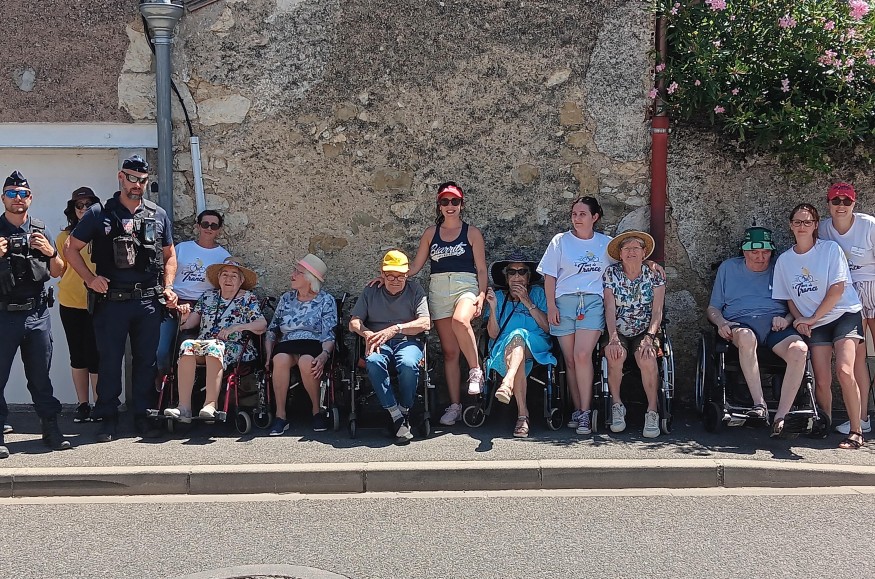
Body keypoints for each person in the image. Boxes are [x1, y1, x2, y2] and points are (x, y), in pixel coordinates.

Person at [64, 155, 178, 442]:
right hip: (112, 301)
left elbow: (170, 255)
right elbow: (70, 248)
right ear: (121, 177)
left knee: (146, 362)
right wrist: (90, 279)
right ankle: (108, 418)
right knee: (110, 362)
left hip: (147, 302)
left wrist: (168, 285)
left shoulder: (157, 214)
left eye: (143, 180)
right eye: (132, 179)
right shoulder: (98, 213)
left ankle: (143, 415)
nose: (137, 185)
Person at [772, 204, 865, 449]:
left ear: (815, 225)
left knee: (844, 371)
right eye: (798, 222)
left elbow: (838, 289)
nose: (802, 226)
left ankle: (856, 430)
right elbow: (789, 298)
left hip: (843, 314)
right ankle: (824, 423)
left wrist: (812, 318)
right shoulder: (784, 261)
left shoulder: (830, 249)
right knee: (821, 380)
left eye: (807, 222)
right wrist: (800, 320)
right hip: (815, 323)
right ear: (791, 225)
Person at [707, 227, 810, 437]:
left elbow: (795, 307)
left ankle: (781, 417)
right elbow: (713, 308)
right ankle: (759, 404)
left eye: (765, 252)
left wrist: (787, 319)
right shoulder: (728, 268)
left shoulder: (780, 267)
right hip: (741, 323)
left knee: (800, 350)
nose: (760, 257)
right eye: (754, 252)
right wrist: (721, 323)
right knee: (746, 337)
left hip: (776, 325)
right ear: (744, 251)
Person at [401, 182, 487, 426]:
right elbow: (416, 266)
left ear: (462, 204)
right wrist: (391, 275)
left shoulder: (472, 233)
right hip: (439, 289)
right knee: (450, 352)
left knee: (461, 320)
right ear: (439, 205)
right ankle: (455, 405)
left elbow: (481, 269)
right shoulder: (431, 233)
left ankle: (475, 371)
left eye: (455, 201)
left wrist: (481, 295)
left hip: (465, 285)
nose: (450, 206)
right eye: (445, 201)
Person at [0, 170, 71, 458]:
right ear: (3, 198)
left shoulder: (40, 229)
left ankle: (50, 428)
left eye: (23, 194)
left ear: (30, 198)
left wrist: (51, 252)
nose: (18, 199)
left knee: (41, 377)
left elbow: (58, 271)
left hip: (36, 314)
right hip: (3, 315)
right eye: (12, 193)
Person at [537, 197, 612, 436]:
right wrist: (551, 307)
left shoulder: (606, 244)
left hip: (592, 302)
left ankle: (586, 411)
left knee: (582, 355)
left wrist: (651, 265)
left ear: (594, 217)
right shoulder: (560, 241)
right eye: (574, 214)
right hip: (564, 303)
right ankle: (578, 410)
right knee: (569, 360)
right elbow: (550, 276)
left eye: (582, 214)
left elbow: (629, 259)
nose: (577, 218)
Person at [164, 258, 266, 422]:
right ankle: (184, 408)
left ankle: (210, 405)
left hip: (235, 346)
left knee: (214, 348)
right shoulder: (208, 296)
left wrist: (236, 328)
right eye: (224, 274)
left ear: (241, 281)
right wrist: (184, 316)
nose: (228, 279)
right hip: (205, 344)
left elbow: (262, 325)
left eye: (233, 275)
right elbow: (187, 325)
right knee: (187, 346)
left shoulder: (248, 298)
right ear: (218, 278)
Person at [349, 250, 431, 443]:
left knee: (409, 364)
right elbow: (354, 322)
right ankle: (397, 416)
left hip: (407, 340)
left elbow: (426, 323)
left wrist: (396, 328)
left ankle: (403, 410)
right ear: (382, 274)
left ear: (407, 274)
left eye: (400, 275)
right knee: (373, 361)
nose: (395, 280)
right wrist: (367, 333)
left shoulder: (415, 290)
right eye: (390, 275)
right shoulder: (371, 290)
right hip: (378, 340)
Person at [818, 182, 873, 435]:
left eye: (846, 201)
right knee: (858, 357)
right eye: (836, 201)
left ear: (854, 203)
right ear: (828, 203)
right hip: (848, 295)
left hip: (873, 287)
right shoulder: (823, 229)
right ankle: (862, 417)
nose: (841, 206)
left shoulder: (869, 225)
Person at [483, 249, 555, 438]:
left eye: (522, 272)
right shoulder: (499, 297)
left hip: (536, 345)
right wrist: (492, 308)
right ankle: (523, 415)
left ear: (528, 277)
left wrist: (527, 301)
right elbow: (493, 335)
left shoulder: (538, 294)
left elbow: (548, 328)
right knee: (517, 346)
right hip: (504, 347)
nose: (517, 277)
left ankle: (507, 382)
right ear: (506, 278)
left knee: (519, 335)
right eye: (512, 272)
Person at [602, 231, 666, 438]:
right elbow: (609, 308)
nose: (631, 252)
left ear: (644, 252)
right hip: (618, 329)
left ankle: (652, 410)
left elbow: (657, 311)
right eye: (626, 248)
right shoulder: (611, 273)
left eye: (635, 248)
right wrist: (612, 336)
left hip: (645, 330)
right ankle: (617, 405)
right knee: (614, 354)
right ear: (620, 254)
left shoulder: (654, 275)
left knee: (647, 357)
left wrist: (650, 337)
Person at [265, 254, 337, 435]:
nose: (293, 274)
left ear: (310, 278)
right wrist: (268, 355)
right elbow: (272, 329)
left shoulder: (325, 300)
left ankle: (316, 411)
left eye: (298, 272)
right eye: (294, 270)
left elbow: (329, 333)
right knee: (279, 359)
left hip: (313, 344)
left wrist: (324, 355)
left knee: (307, 362)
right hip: (287, 343)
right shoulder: (286, 298)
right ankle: (280, 416)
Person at [156, 209, 230, 376]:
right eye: (205, 224)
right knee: (160, 351)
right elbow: (166, 270)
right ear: (197, 226)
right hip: (173, 303)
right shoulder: (182, 248)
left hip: (201, 309)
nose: (209, 228)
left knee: (185, 350)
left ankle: (181, 387)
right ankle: (162, 383)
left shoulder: (223, 256)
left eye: (214, 226)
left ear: (219, 230)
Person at [56, 187, 101, 423]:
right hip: (71, 301)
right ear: (72, 209)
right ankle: (83, 404)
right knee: (78, 355)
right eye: (79, 205)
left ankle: (99, 404)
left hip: (99, 302)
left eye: (88, 204)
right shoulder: (64, 237)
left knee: (96, 356)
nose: (84, 208)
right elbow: (59, 270)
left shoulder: (103, 233)